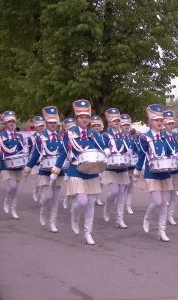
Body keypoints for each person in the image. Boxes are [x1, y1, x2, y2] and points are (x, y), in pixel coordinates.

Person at [50, 100, 111, 245]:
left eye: (87, 117)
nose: (84, 120)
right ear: (77, 119)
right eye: (81, 117)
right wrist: (55, 171)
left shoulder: (94, 135)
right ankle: (74, 216)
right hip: (76, 171)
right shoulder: (69, 135)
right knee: (82, 201)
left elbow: (104, 149)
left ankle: (88, 233)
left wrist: (106, 153)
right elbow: (63, 154)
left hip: (92, 171)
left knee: (90, 203)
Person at [133, 104, 174, 242]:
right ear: (150, 122)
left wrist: (173, 160)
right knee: (157, 201)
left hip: (165, 173)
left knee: (164, 203)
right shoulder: (144, 138)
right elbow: (141, 156)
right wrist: (137, 172)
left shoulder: (166, 137)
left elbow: (169, 154)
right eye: (156, 120)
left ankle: (161, 231)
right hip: (152, 172)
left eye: (161, 120)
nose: (159, 123)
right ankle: (147, 217)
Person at [24, 106, 65, 232]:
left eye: (54, 122)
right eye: (50, 122)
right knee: (47, 197)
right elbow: (36, 154)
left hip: (58, 171)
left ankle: (52, 223)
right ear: (46, 123)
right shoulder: (40, 138)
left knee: (55, 197)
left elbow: (64, 154)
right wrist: (28, 168)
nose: (53, 125)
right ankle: (43, 210)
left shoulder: (61, 137)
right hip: (45, 170)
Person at [0, 111, 27, 219]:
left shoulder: (19, 136)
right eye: (9, 121)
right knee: (12, 186)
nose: (12, 123)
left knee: (16, 189)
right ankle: (7, 201)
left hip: (18, 165)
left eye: (13, 121)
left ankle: (13, 209)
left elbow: (22, 149)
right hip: (6, 165)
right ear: (5, 123)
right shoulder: (1, 136)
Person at [102, 108, 130, 229]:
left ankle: (120, 219)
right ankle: (107, 206)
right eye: (114, 120)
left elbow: (128, 148)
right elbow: (101, 147)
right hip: (110, 167)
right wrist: (105, 150)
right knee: (114, 191)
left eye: (118, 120)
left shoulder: (123, 136)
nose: (117, 122)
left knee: (121, 193)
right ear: (109, 123)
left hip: (122, 167)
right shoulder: (105, 136)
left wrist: (128, 151)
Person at [161, 110, 178, 226]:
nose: (171, 125)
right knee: (165, 193)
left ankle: (170, 215)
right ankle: (163, 215)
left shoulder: (176, 136)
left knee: (174, 192)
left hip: (176, 168)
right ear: (164, 124)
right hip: (166, 168)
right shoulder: (162, 136)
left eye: (172, 123)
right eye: (169, 123)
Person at [120, 114, 138, 215]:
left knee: (131, 185)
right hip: (122, 164)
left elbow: (137, 149)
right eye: (124, 125)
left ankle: (128, 205)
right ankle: (121, 203)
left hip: (131, 165)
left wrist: (135, 153)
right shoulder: (119, 136)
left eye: (128, 125)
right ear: (121, 126)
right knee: (124, 185)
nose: (126, 127)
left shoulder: (132, 137)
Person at [28, 116, 45, 202]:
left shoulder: (46, 136)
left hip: (45, 160)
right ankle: (36, 190)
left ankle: (42, 196)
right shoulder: (32, 137)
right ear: (35, 126)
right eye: (39, 126)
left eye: (42, 125)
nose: (41, 127)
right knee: (40, 178)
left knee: (43, 178)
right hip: (36, 160)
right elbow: (30, 150)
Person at [61, 118, 76, 210]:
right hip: (67, 163)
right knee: (70, 186)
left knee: (75, 188)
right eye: (69, 127)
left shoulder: (77, 136)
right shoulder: (64, 137)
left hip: (76, 163)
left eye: (73, 127)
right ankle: (67, 196)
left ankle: (69, 199)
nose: (71, 129)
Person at [90, 115, 104, 206]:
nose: (96, 128)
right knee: (94, 179)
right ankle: (92, 196)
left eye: (98, 126)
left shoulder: (103, 136)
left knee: (101, 181)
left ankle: (97, 197)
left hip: (101, 160)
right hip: (92, 159)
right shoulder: (89, 135)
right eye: (94, 126)